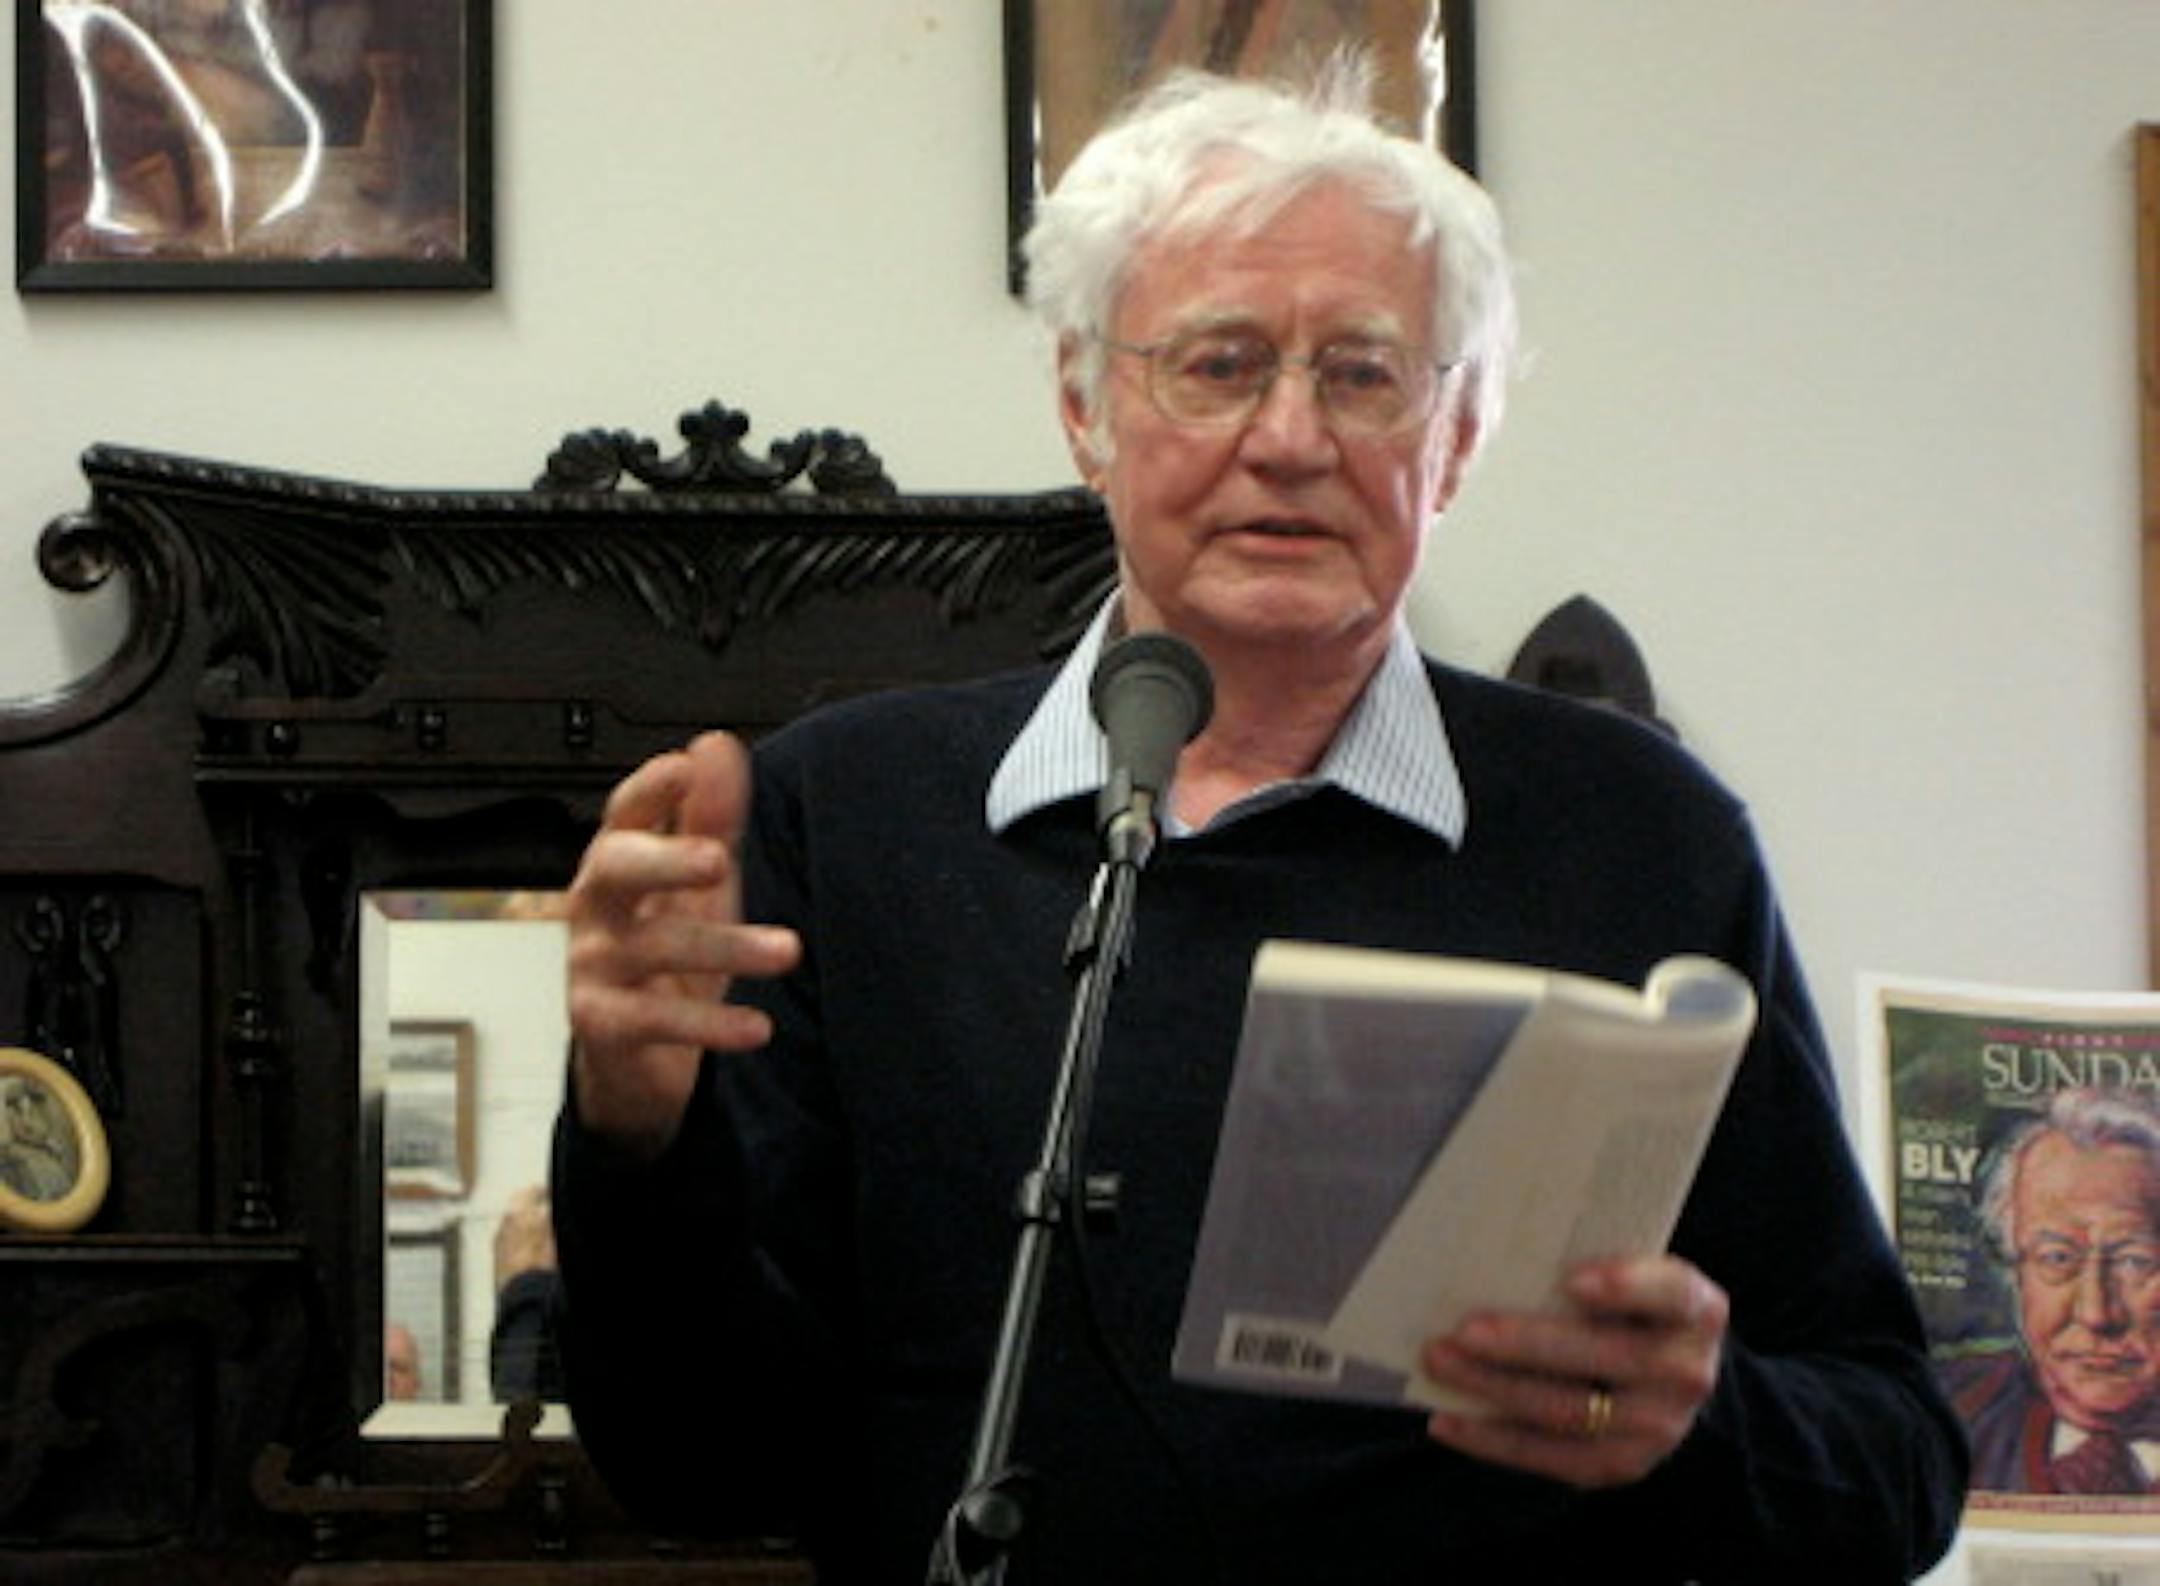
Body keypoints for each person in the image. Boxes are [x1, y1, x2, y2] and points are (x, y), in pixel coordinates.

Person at [551, 61, 1967, 1583]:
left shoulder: (1639, 834)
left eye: (1364, 372)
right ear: (1086, 407)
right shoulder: (847, 816)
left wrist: (1702, 1420)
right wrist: (636, 1133)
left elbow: (1897, 1463)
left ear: (1462, 435)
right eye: (1219, 363)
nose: (1291, 436)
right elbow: (700, 1464)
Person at [1948, 1086, 2160, 1494]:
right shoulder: (1946, 1407)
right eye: (2057, 1258)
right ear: (2016, 1270)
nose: (2097, 1314)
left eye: (2136, 1261)